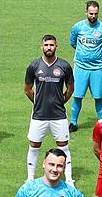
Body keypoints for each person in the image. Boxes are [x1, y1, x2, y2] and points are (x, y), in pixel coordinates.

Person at [24, 35, 74, 184]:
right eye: (46, 45)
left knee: (63, 146)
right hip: (39, 115)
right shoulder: (34, 66)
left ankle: (69, 179)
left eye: (52, 45)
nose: (49, 48)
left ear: (56, 47)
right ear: (42, 47)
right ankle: (30, 178)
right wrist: (38, 102)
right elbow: (27, 89)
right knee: (34, 145)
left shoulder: (64, 66)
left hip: (59, 115)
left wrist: (60, 102)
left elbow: (70, 89)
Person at [69, 0, 102, 132]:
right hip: (80, 67)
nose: (93, 16)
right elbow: (73, 42)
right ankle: (73, 123)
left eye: (95, 14)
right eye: (91, 13)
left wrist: (96, 55)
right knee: (77, 96)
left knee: (98, 97)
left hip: (97, 68)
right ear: (86, 12)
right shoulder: (77, 27)